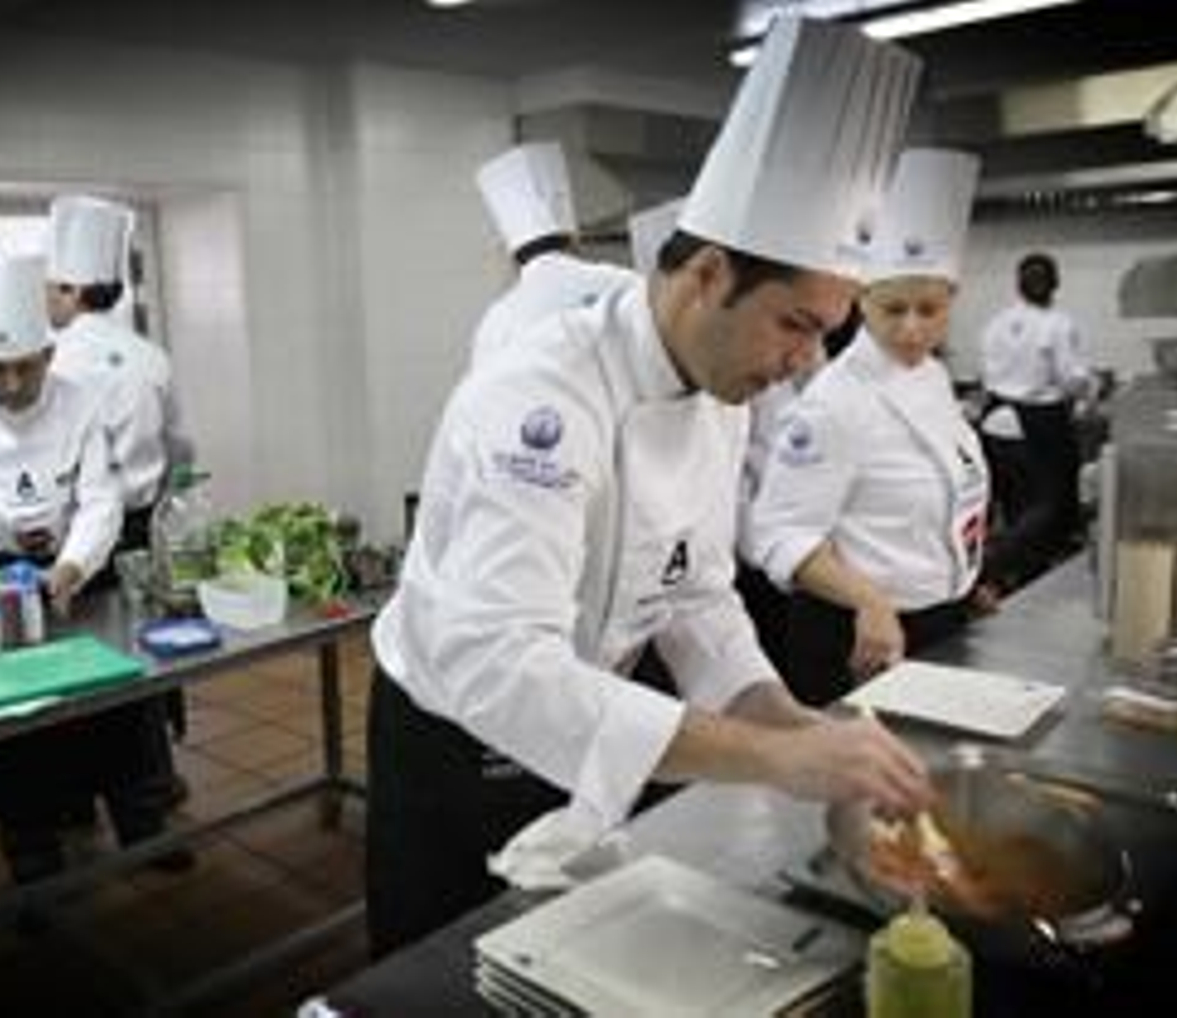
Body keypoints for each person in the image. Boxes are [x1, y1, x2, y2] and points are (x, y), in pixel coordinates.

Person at [365, 16, 930, 959]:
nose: (800, 367)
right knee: (443, 972)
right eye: (795, 325)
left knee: (568, 954)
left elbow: (698, 594)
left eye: (823, 334)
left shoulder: (720, 386)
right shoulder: (540, 396)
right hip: (457, 734)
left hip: (592, 704)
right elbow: (502, 667)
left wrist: (786, 717)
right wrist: (773, 758)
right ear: (707, 275)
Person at [0, 247, 182, 883]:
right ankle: (33, 853)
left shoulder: (82, 402)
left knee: (120, 703)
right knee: (22, 725)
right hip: (0, 582)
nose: (11, 386)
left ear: (48, 354)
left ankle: (143, 827)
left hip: (77, 576)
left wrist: (70, 568)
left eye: (24, 370)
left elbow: (100, 501)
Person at [745, 149, 989, 706]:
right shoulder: (836, 401)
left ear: (952, 300)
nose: (910, 328)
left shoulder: (930, 377)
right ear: (862, 300)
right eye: (892, 309)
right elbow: (778, 534)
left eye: (928, 310)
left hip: (936, 622)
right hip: (856, 639)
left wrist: (963, 576)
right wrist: (869, 601)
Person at [44, 191, 193, 784]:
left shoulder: (54, 364)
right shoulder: (151, 356)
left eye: (49, 287)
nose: (45, 299)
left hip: (79, 543)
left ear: (71, 292)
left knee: (83, 670)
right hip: (142, 529)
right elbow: (182, 447)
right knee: (146, 658)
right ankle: (156, 784)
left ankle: (87, 793)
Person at [977, 251, 1092, 594]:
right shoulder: (1058, 323)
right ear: (1055, 284)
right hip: (1038, 419)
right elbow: (1070, 377)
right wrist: (1091, 384)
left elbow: (986, 372)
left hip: (995, 419)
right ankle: (1000, 565)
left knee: (1013, 503)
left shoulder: (996, 323)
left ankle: (1017, 573)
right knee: (1050, 504)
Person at [467, 141, 638, 370]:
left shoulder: (498, 321)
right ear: (573, 240)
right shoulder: (625, 283)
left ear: (513, 257)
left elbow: (486, 396)